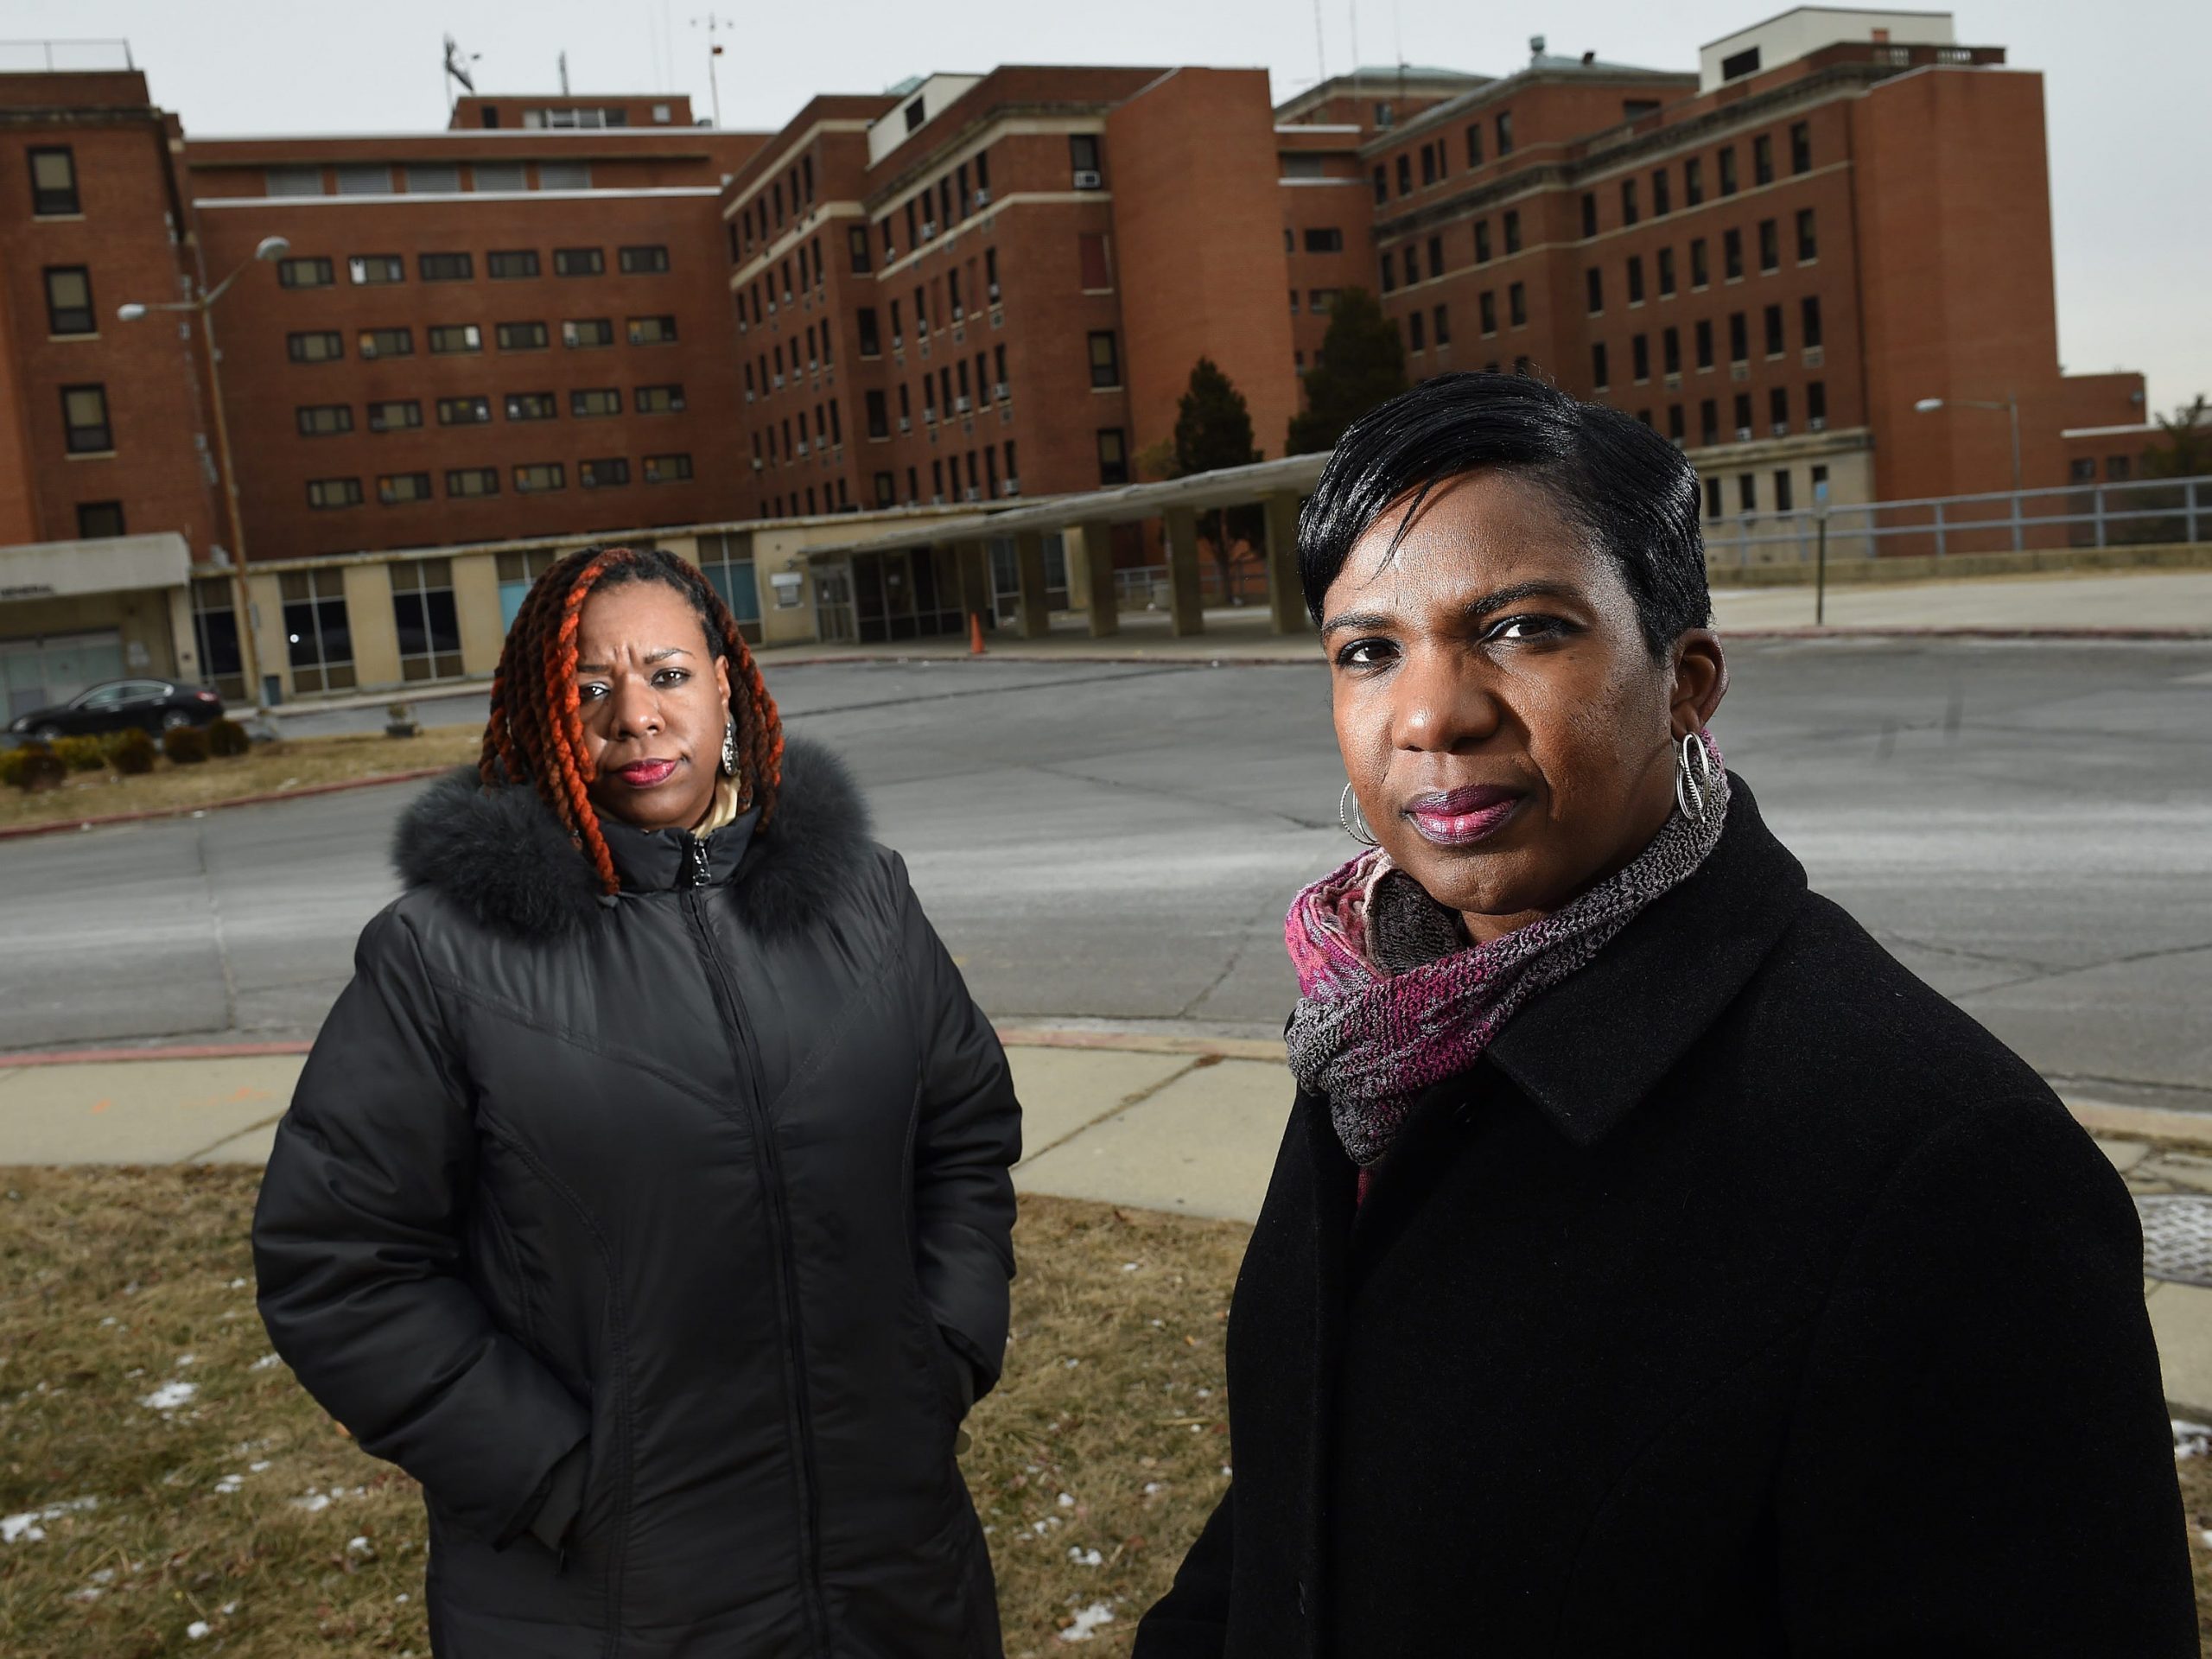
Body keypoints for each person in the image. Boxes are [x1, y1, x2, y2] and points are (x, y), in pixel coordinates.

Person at [1135, 374, 2193, 1656]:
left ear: (1686, 681)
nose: (1431, 714)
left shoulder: (1940, 1167)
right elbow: (1302, 1489)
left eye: (1521, 629)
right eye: (1370, 650)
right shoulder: (1378, 1027)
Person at [253, 545, 1019, 1656]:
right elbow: (338, 1259)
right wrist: (560, 1474)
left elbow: (963, 1137)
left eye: (666, 675)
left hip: (893, 1570)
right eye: (590, 690)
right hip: (612, 1596)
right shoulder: (444, 954)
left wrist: (941, 1348)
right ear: (540, 714)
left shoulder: (864, 899)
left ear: (726, 682)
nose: (636, 721)